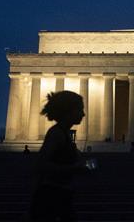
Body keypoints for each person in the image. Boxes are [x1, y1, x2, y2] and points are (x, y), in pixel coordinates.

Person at [28, 90, 92, 221]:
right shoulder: (56, 134)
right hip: (52, 195)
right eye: (80, 109)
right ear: (68, 111)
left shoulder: (63, 134)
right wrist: (73, 169)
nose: (83, 114)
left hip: (61, 194)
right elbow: (41, 165)